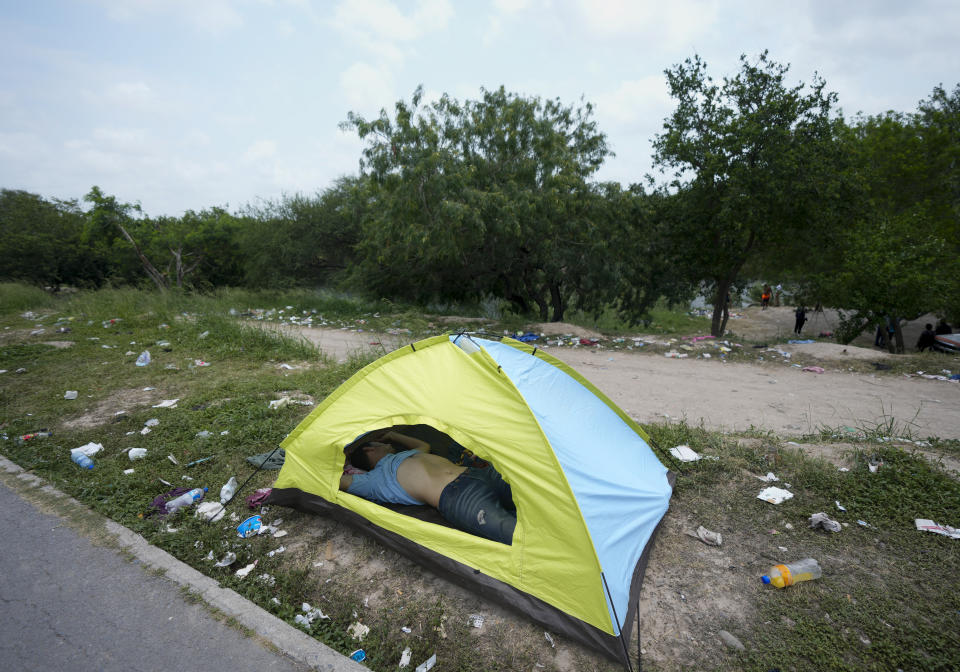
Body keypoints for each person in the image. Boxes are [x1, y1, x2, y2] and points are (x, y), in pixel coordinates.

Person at [339, 430, 516, 544]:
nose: (389, 445)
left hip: (478, 473)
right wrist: (340, 456)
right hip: (460, 497)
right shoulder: (373, 480)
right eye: (383, 443)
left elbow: (424, 446)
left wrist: (393, 435)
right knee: (512, 533)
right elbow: (339, 481)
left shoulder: (406, 454)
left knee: (536, 497)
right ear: (369, 450)